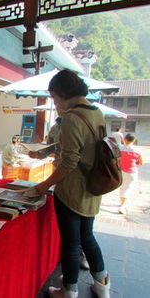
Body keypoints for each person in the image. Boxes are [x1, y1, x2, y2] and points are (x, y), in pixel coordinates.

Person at [33, 70, 110, 298]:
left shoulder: (71, 117)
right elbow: (85, 150)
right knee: (87, 237)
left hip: (71, 191)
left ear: (64, 93)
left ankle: (68, 291)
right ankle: (102, 284)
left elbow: (68, 163)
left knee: (70, 243)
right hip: (93, 188)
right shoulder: (96, 113)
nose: (55, 102)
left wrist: (42, 186)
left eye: (54, 97)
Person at [118, 134, 142, 215]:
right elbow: (140, 162)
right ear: (133, 141)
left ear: (124, 139)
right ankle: (122, 206)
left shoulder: (119, 148)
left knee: (122, 188)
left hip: (121, 172)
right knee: (128, 188)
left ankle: (122, 204)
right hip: (132, 173)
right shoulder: (137, 151)